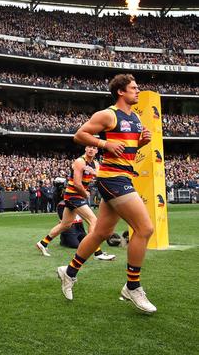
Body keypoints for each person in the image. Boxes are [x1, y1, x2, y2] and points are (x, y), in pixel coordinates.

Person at [57, 74, 157, 313]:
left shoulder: (135, 118)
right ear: (121, 92)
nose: (138, 91)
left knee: (101, 232)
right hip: (113, 179)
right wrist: (104, 144)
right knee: (145, 229)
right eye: (134, 88)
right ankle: (132, 287)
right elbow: (79, 135)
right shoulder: (108, 114)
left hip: (123, 176)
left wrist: (141, 142)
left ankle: (68, 272)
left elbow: (126, 150)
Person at [36, 146, 115, 261]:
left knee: (66, 225)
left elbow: (101, 177)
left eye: (93, 147)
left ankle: (43, 243)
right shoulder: (80, 161)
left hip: (74, 196)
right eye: (89, 147)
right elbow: (77, 184)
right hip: (74, 195)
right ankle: (97, 253)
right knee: (93, 220)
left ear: (97, 151)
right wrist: (85, 193)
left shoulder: (96, 163)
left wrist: (95, 174)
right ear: (85, 149)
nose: (91, 149)